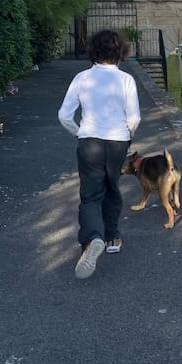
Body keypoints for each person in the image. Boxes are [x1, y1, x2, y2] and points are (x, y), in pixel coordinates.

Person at [58, 30, 141, 280]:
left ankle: (93, 238)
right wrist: (127, 135)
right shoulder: (126, 80)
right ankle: (112, 237)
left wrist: (79, 132)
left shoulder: (82, 78)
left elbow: (64, 115)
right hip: (118, 141)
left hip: (90, 140)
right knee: (112, 187)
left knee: (91, 194)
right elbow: (134, 118)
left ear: (93, 50)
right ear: (120, 52)